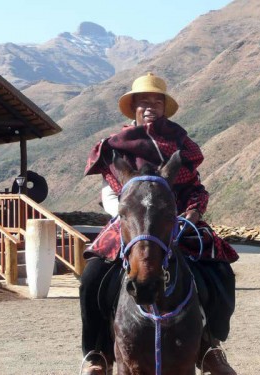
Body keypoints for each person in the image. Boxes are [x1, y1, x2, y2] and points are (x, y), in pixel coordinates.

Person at [80, 72, 239, 375]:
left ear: (165, 107)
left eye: (156, 101)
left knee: (219, 270)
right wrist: (123, 214)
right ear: (133, 108)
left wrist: (192, 211)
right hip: (130, 220)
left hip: (176, 220)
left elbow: (196, 188)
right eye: (143, 102)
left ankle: (210, 344)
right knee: (92, 278)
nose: (150, 106)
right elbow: (110, 187)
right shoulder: (117, 146)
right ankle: (96, 352)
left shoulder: (181, 144)